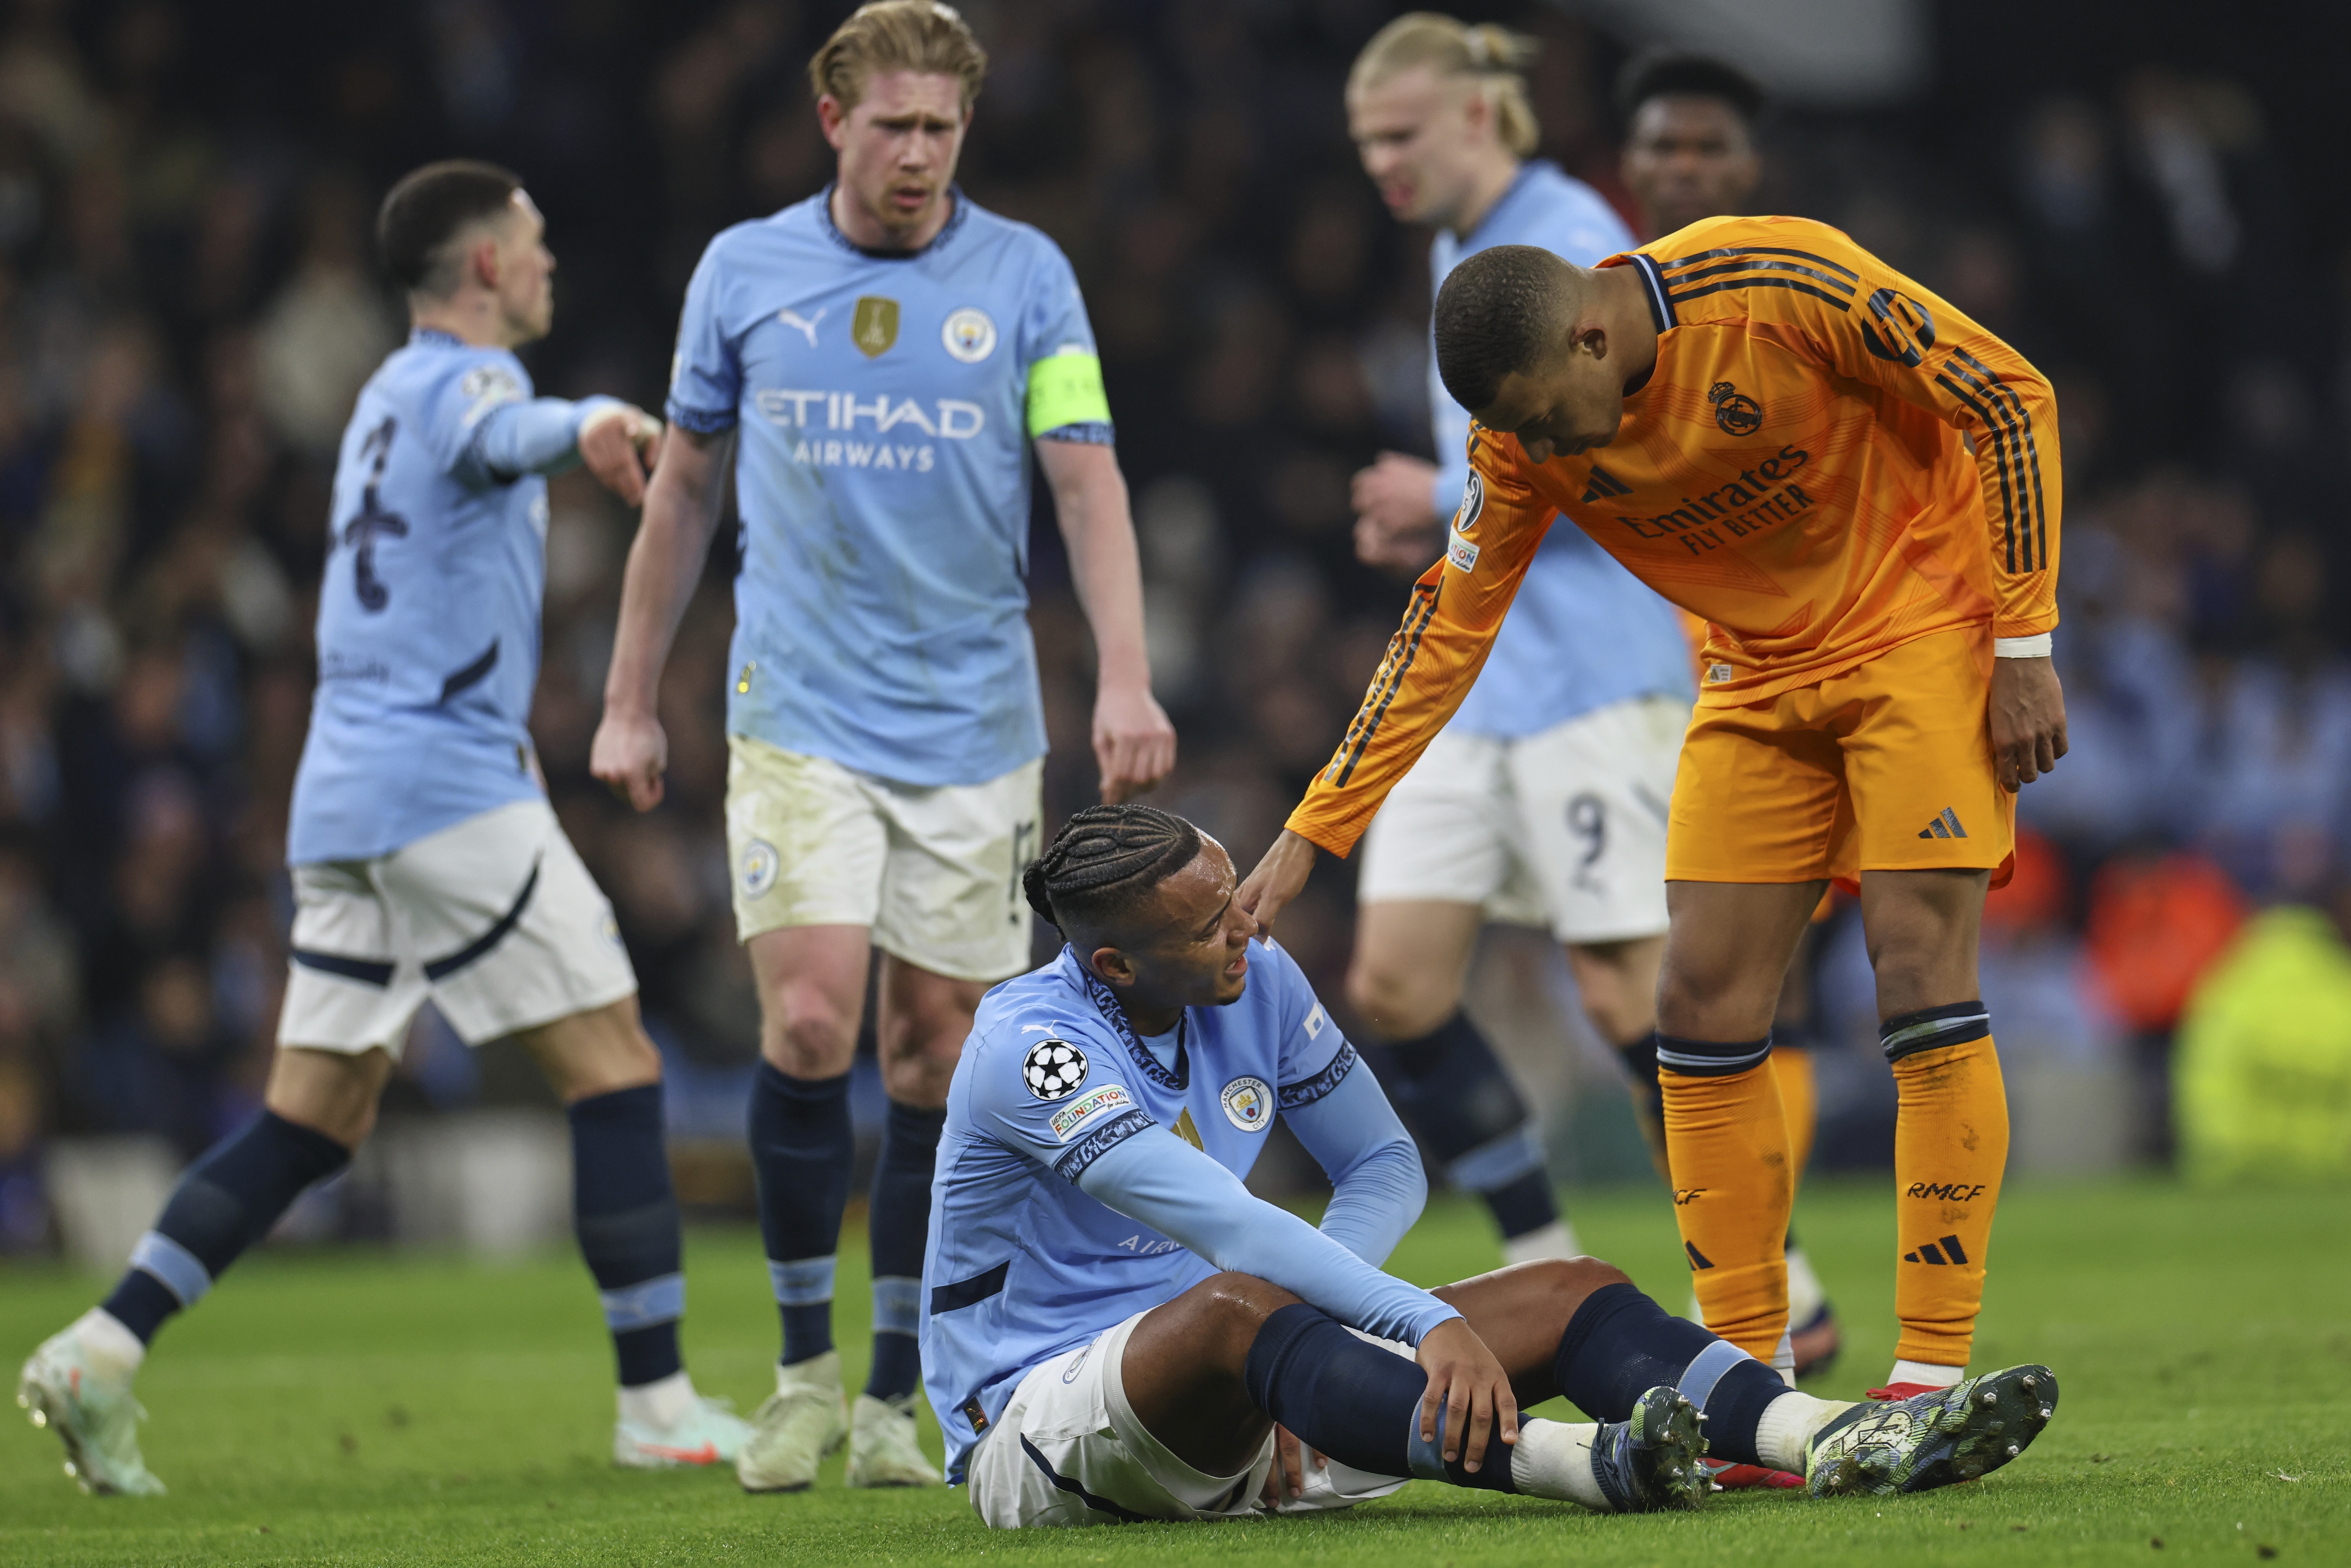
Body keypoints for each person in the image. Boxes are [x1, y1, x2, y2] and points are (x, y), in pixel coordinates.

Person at [1240, 219, 2069, 1407]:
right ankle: (1750, 1383)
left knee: (1917, 971)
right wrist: (1316, 828)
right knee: (1695, 1008)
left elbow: (2007, 396)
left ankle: (1928, 1374)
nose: (1536, 448)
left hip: (1919, 631)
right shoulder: (1513, 438)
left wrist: (2025, 643)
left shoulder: (1778, 282)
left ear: (1591, 338)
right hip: (1754, 674)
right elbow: (1446, 629)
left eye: (1542, 417)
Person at [17, 161, 748, 1494]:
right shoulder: (469, 382)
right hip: (447, 785)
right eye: (532, 242)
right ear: (485, 265)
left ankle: (103, 1347)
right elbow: (502, 433)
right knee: (617, 1065)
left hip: (343, 798)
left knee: (315, 1113)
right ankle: (657, 1405)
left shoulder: (378, 397)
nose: (548, 263)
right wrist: (590, 419)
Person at [589, 0, 1176, 1493]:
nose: (920, 154)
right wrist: (629, 696)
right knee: (807, 1024)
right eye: (895, 126)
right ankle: (800, 1375)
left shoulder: (1028, 278)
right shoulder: (744, 272)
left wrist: (1125, 677)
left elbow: (1087, 483)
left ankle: (890, 1400)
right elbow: (683, 494)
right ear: (832, 122)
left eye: (943, 128)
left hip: (976, 729)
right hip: (800, 714)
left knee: (932, 1054)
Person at [925, 804, 2056, 1528]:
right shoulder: (1034, 1048)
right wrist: (1415, 1319)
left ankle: (1829, 1436)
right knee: (1235, 1307)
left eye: (1235, 896)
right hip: (1040, 1425)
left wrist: (1323, 1326)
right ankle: (1586, 1463)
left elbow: (1384, 1161)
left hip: (1275, 1387)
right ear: (1116, 964)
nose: (1248, 926)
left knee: (1574, 1288)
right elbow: (1227, 1225)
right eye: (1211, 921)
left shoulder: (1253, 977)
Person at [1338, 15, 1694, 1268]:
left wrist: (1437, 495)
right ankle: (1544, 1264)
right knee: (1395, 982)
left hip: (1598, 674)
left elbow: (1631, 459)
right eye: (1367, 143)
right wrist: (1439, 517)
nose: (1383, 163)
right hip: (1479, 683)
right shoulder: (1460, 250)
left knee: (1628, 993)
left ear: (1478, 115)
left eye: (1402, 135)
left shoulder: (1572, 236)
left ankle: (1772, 1281)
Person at [1616, 48, 1841, 1386]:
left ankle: (1774, 1277)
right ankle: (1772, 1282)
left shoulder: (1802, 293)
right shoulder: (1593, 309)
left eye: (1710, 149)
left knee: (1767, 971)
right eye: (1666, 147)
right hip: (1636, 690)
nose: (1687, 168)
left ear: (1752, 169)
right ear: (1631, 163)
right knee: (1690, 980)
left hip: (1797, 674)